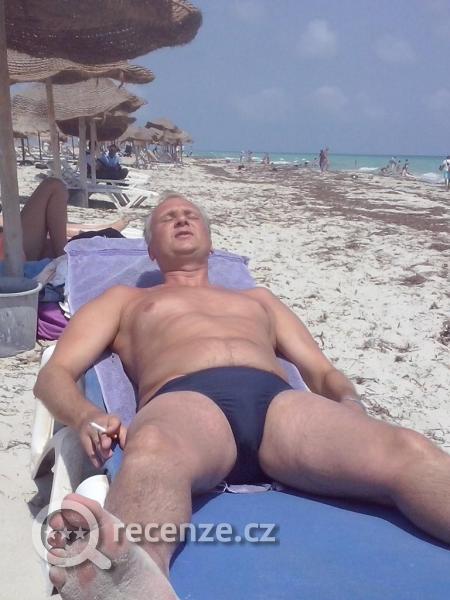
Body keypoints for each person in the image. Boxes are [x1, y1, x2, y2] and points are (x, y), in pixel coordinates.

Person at [35, 192, 450, 599]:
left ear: (211, 243)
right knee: (155, 451)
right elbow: (55, 375)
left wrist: (350, 402)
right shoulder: (126, 300)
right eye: (168, 217)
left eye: (190, 215)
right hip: (186, 403)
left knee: (407, 448)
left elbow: (322, 372)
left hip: (280, 408)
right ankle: (130, 578)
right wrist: (83, 414)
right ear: (151, 251)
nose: (182, 220)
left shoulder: (259, 300)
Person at [0, 178, 130, 261]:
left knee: (52, 236)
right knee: (53, 186)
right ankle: (63, 258)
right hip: (8, 256)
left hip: (8, 244)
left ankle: (98, 230)